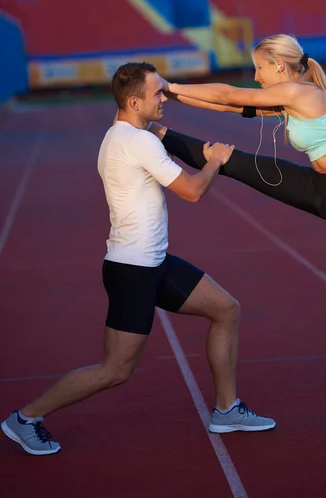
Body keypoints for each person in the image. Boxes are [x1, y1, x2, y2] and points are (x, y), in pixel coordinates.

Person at [1, 62, 276, 456]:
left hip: (152, 262)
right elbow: (193, 191)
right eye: (157, 94)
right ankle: (25, 418)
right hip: (134, 271)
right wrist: (216, 158)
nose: (164, 99)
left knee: (225, 309)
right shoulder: (139, 142)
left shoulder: (120, 135)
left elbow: (155, 131)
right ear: (134, 101)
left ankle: (227, 409)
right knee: (115, 371)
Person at [150, 34, 326, 429]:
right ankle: (161, 135)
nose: (256, 75)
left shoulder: (302, 94)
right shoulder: (291, 94)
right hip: (316, 186)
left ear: (279, 66)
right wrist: (168, 100)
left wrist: (171, 85)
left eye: (259, 68)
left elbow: (230, 96)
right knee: (232, 161)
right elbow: (227, 105)